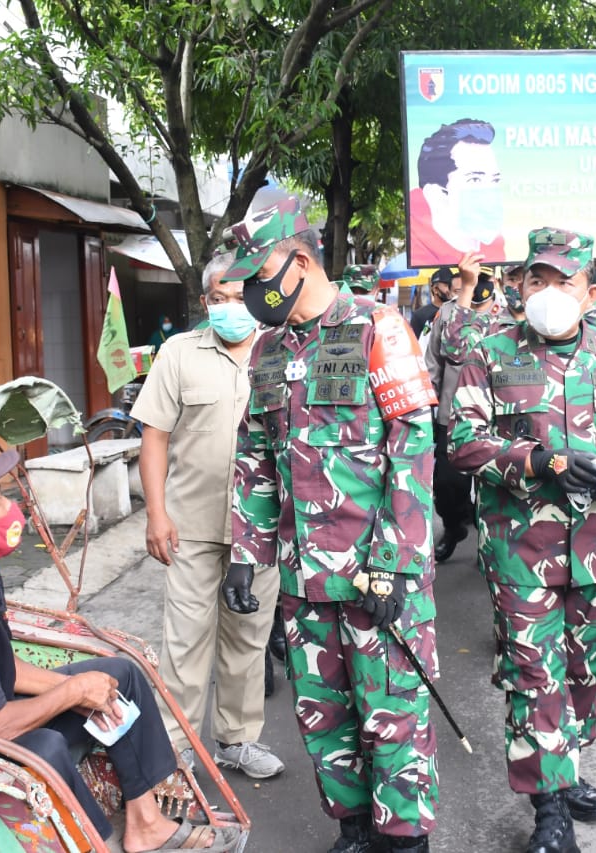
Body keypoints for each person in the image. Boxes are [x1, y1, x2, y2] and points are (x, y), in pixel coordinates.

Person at [0, 451, 239, 852]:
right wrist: (72, 693)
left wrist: (83, 687)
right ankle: (96, 844)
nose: (12, 505)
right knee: (44, 747)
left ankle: (146, 823)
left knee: (119, 676)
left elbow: (3, 668)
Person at [220, 197, 438, 853]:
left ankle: (403, 839)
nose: (252, 291)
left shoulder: (378, 326)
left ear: (302, 260)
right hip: (304, 576)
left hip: (375, 573)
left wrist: (396, 562)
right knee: (323, 712)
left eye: (261, 275)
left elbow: (413, 442)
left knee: (393, 709)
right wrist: (244, 550)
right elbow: (255, 454)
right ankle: (354, 826)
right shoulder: (266, 351)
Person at [449, 227, 596, 853]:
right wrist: (538, 461)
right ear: (519, 284)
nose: (548, 291)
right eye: (537, 278)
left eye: (564, 280)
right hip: (520, 552)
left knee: (586, 669)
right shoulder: (490, 351)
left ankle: (566, 770)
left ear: (591, 291)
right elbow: (461, 441)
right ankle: (549, 806)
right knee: (534, 672)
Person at [130, 253, 284, 781]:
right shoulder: (178, 353)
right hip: (190, 525)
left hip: (260, 529)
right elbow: (154, 434)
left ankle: (239, 741)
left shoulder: (281, 349)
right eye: (220, 299)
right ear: (204, 302)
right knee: (186, 643)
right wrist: (155, 513)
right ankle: (177, 753)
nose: (231, 308)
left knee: (247, 638)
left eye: (241, 297)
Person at [424, 256, 497, 563]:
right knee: (446, 486)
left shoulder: (511, 316)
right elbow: (433, 365)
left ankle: (494, 544)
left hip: (499, 420)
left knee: (497, 487)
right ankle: (454, 526)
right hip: (452, 418)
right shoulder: (447, 315)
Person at [409, 118, 505, 265]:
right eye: (475, 180)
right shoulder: (419, 253)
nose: (490, 193)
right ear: (436, 194)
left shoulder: (495, 251)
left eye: (495, 180)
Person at [411, 268, 456, 338]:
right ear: (435, 289)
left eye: (452, 285)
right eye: (447, 285)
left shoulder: (458, 311)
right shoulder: (420, 315)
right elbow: (415, 343)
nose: (451, 289)